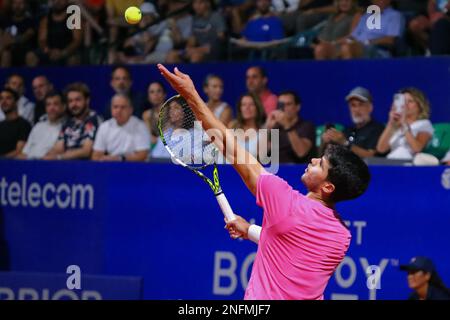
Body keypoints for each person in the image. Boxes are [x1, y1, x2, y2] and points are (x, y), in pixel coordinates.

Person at [158, 64, 371, 300]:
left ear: (328, 187)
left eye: (320, 164)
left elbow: (230, 146)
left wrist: (191, 95)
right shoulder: (341, 237)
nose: (312, 159)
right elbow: (292, 248)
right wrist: (249, 230)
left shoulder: (285, 201)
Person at [321, 87, 385, 158]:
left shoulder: (378, 129)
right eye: (353, 105)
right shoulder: (347, 130)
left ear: (370, 107)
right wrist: (326, 142)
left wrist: (345, 143)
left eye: (361, 105)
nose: (357, 110)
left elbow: (372, 157)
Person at [44, 82, 102, 160]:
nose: (74, 104)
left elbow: (86, 151)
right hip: (66, 166)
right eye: (70, 101)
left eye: (77, 100)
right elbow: (58, 148)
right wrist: (47, 156)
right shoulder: (68, 123)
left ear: (87, 101)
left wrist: (59, 157)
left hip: (86, 168)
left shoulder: (94, 119)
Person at [376, 87, 433, 160]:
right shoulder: (396, 125)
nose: (405, 104)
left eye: (410, 101)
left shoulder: (424, 124)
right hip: (391, 161)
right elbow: (381, 149)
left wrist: (404, 125)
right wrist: (391, 124)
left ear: (420, 105)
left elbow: (417, 148)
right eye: (403, 101)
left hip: (411, 164)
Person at [92, 94, 150, 162]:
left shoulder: (140, 126)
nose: (119, 110)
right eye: (115, 107)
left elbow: (142, 155)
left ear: (130, 110)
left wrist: (120, 159)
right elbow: (96, 156)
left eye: (123, 107)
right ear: (111, 109)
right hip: (111, 167)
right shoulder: (104, 127)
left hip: (134, 167)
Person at [340, 0, 404, 59]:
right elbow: (353, 36)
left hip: (376, 50)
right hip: (356, 46)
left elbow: (390, 39)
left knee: (346, 48)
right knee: (334, 48)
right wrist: (335, 43)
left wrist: (366, 42)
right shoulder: (366, 16)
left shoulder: (395, 16)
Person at [26, 0, 82, 66]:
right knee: (30, 56)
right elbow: (42, 40)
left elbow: (77, 40)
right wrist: (48, 51)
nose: (58, 1)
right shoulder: (45, 19)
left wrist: (63, 53)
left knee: (73, 60)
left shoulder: (74, 18)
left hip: (67, 52)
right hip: (49, 52)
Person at [266, 90, 316, 163]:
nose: (284, 108)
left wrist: (287, 126)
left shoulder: (307, 126)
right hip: (276, 170)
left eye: (288, 104)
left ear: (297, 107)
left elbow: (301, 152)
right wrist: (267, 129)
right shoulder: (275, 127)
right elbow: (261, 154)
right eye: (281, 105)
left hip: (297, 170)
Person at [17, 91, 67, 160]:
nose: (51, 108)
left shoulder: (68, 128)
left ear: (63, 107)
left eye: (55, 104)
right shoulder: (38, 126)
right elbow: (25, 152)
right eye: (48, 105)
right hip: (29, 164)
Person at [225, 93, 267, 162]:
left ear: (257, 108)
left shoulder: (263, 132)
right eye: (244, 105)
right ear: (240, 109)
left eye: (251, 104)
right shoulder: (232, 127)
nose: (247, 108)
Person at [0, 0, 35, 67]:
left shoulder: (30, 21)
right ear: (11, 5)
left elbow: (27, 36)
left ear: (26, 5)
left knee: (30, 56)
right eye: (15, 3)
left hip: (24, 51)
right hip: (6, 50)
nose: (17, 6)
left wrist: (12, 40)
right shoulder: (4, 20)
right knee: (5, 54)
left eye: (21, 3)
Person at [0, 88, 31, 158]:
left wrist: (2, 159)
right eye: (1, 98)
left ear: (16, 102)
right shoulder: (1, 125)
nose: (4, 101)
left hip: (14, 166)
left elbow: (19, 151)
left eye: (8, 98)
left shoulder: (24, 125)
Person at [142, 81, 167, 149]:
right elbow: (150, 137)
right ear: (148, 97)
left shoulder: (172, 112)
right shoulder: (146, 115)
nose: (156, 94)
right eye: (152, 92)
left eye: (159, 91)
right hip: (155, 147)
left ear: (164, 94)